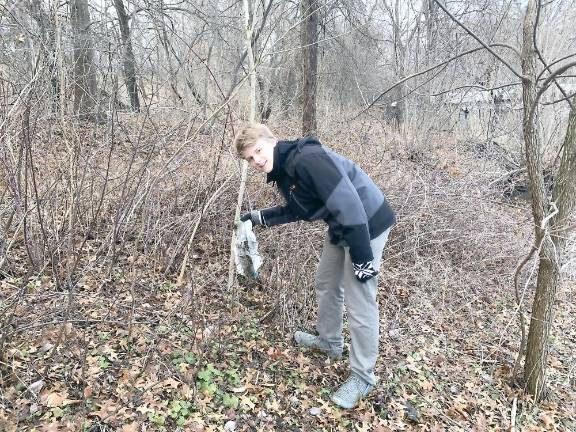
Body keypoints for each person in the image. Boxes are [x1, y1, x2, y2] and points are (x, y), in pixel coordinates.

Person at [234, 123, 396, 409]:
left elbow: (350, 205)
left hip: (365, 223)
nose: (257, 160)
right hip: (342, 224)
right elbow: (300, 208)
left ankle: (362, 377)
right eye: (250, 158)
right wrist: (258, 218)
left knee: (360, 300)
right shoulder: (283, 170)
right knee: (326, 280)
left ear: (271, 140)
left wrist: (361, 258)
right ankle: (330, 341)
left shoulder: (307, 160)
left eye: (258, 150)